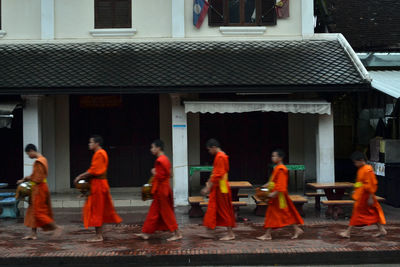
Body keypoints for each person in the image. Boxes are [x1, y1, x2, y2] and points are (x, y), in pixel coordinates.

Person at [74, 135, 122, 242]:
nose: (89, 144)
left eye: (91, 142)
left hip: (99, 185)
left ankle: (99, 236)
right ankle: (100, 234)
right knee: (99, 209)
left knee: (96, 210)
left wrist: (80, 176)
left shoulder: (100, 153)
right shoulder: (99, 153)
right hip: (97, 184)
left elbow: (94, 171)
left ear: (97, 143)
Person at [136, 140, 182, 241]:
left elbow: (161, 176)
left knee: (167, 213)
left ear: (158, 148)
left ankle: (177, 233)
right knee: (153, 212)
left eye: (153, 147)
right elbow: (170, 174)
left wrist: (154, 172)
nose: (151, 150)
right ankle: (146, 233)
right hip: (162, 189)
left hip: (162, 189)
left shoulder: (160, 160)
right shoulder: (165, 159)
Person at [17, 144, 62, 240]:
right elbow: (36, 176)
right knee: (33, 211)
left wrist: (25, 180)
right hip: (37, 188)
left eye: (28, 153)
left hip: (39, 189)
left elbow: (38, 178)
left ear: (31, 151)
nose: (29, 156)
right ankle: (33, 234)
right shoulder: (42, 160)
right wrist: (26, 179)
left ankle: (56, 227)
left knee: (38, 212)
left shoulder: (39, 161)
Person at [257, 149, 304, 241]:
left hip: (279, 196)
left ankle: (268, 234)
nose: (272, 158)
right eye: (272, 156)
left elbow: (281, 186)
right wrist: (262, 188)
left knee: (282, 213)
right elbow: (272, 182)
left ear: (280, 158)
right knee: (281, 213)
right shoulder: (277, 168)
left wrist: (273, 194)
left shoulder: (282, 169)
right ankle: (296, 229)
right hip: (277, 195)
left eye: (274, 156)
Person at [339, 151, 387, 238]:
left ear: (361, 160)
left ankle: (348, 232)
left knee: (356, 214)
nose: (355, 164)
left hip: (366, 196)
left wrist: (371, 196)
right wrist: (355, 190)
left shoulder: (368, 169)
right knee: (372, 214)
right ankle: (382, 230)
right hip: (362, 195)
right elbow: (360, 183)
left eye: (355, 162)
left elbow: (371, 184)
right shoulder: (361, 169)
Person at [201, 138, 236, 241]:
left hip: (221, 187)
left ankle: (230, 234)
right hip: (219, 186)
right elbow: (215, 172)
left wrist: (208, 187)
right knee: (215, 208)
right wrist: (209, 183)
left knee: (224, 210)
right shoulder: (221, 156)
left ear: (214, 147)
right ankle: (210, 229)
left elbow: (217, 174)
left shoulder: (220, 157)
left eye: (209, 149)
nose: (209, 152)